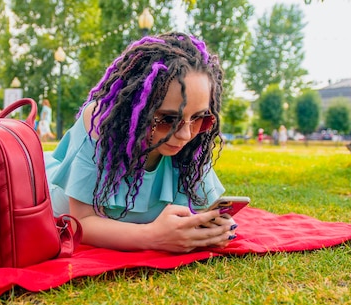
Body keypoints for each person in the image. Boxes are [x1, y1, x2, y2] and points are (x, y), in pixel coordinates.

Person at [44, 32, 237, 253]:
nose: (185, 134)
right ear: (133, 112)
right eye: (168, 119)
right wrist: (152, 237)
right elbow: (82, 221)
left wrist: (211, 229)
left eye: (200, 118)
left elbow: (201, 210)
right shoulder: (99, 122)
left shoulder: (192, 146)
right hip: (42, 178)